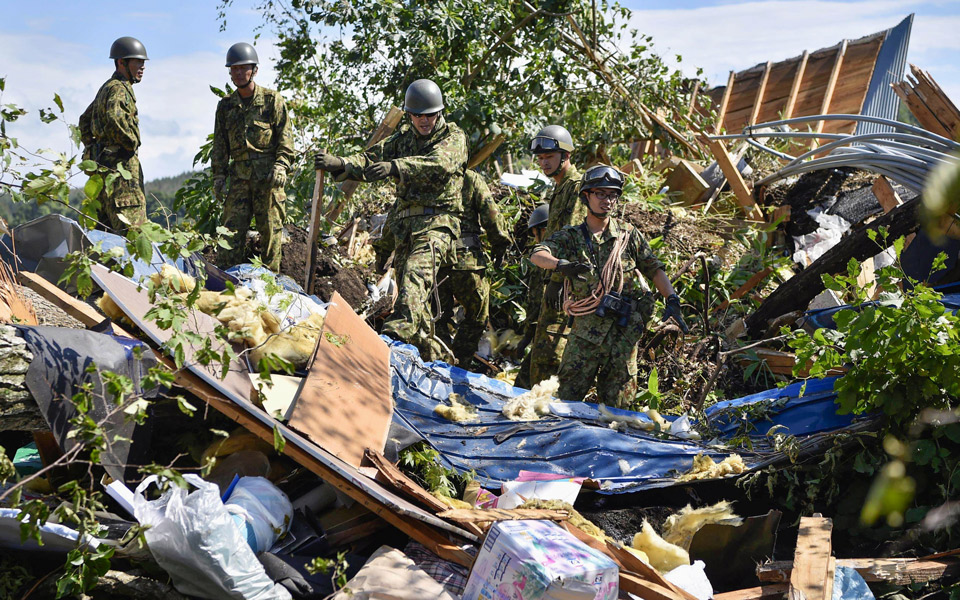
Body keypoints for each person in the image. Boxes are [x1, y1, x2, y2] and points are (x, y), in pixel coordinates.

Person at [315, 79, 468, 361]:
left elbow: (440, 164)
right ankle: (433, 361)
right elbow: (369, 158)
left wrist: (396, 166)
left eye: (430, 114)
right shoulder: (402, 140)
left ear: (440, 113)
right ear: (409, 115)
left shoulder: (453, 138)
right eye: (418, 115)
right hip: (406, 228)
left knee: (413, 279)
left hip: (438, 224)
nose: (424, 120)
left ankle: (387, 345)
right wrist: (340, 164)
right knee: (417, 311)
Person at [530, 165, 688, 407]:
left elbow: (654, 268)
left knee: (619, 408)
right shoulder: (572, 237)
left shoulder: (628, 235)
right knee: (565, 401)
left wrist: (672, 299)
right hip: (585, 335)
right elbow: (538, 254)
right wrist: (560, 265)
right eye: (600, 194)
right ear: (586, 196)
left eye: (612, 195)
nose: (607, 201)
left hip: (623, 336)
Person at [211, 42, 294, 272]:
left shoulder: (272, 101)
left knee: (271, 235)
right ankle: (228, 284)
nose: (238, 73)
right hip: (239, 180)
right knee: (229, 235)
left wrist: (281, 166)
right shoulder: (226, 107)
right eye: (233, 69)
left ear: (254, 70)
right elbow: (220, 146)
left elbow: (286, 141)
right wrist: (218, 176)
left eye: (242, 68)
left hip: (268, 180)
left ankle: (271, 288)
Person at [514, 125, 585, 389]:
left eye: (549, 158)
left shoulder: (576, 188)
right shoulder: (560, 189)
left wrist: (557, 279)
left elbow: (574, 238)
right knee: (538, 359)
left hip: (567, 285)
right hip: (556, 280)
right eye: (540, 158)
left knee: (549, 360)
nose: (543, 163)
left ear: (565, 156)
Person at [436, 169, 512, 368]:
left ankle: (440, 363)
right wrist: (500, 244)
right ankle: (459, 364)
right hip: (467, 262)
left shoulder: (425, 176)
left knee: (436, 318)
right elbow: (491, 214)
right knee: (476, 317)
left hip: (434, 260)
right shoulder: (470, 178)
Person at [78, 36, 149, 233]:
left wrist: (96, 148)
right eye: (137, 62)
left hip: (103, 177)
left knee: (108, 245)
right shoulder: (119, 89)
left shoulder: (107, 88)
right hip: (122, 180)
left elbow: (84, 121)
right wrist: (132, 142)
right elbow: (114, 118)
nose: (142, 67)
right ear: (121, 62)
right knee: (134, 238)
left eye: (143, 62)